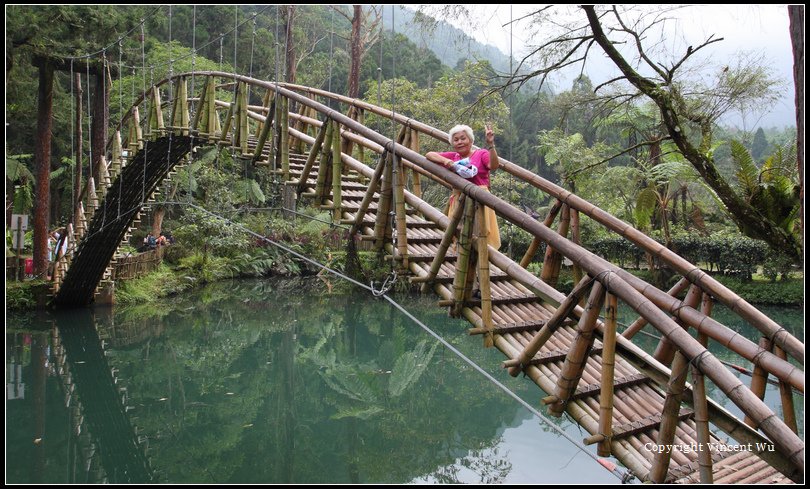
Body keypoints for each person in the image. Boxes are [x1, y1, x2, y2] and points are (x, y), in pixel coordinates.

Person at [426, 123, 501, 251]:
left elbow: (493, 165)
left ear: (470, 141)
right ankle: (460, 265)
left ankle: (479, 265)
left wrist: (490, 145)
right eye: (456, 140)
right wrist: (446, 161)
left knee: (478, 235)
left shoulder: (481, 153)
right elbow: (429, 154)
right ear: (452, 143)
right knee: (459, 234)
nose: (459, 142)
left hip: (479, 199)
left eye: (463, 138)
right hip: (459, 199)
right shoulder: (454, 157)